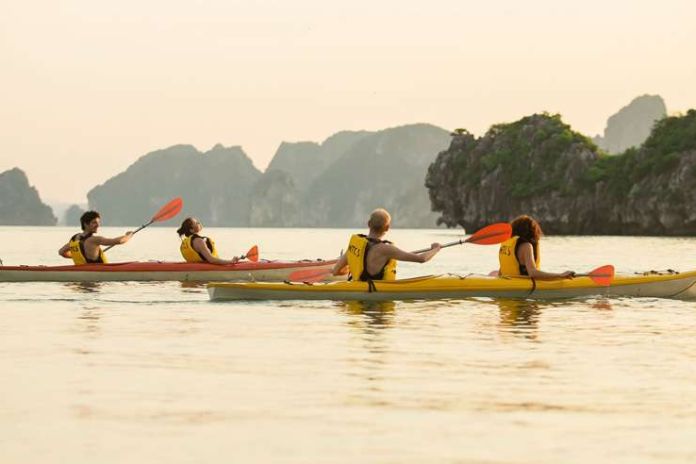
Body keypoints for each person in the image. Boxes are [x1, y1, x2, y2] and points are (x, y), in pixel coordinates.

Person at [332, 208, 441, 284]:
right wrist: (436, 249)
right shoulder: (386, 249)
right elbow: (422, 259)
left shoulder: (355, 245)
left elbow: (335, 271)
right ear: (387, 228)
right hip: (376, 301)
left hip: (357, 297)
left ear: (369, 224)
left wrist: (352, 268)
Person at [498, 215, 574, 279]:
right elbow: (533, 273)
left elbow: (502, 270)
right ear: (531, 231)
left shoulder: (507, 243)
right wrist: (560, 275)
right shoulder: (526, 246)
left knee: (493, 272)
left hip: (506, 279)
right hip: (520, 284)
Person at [58, 211, 133, 264]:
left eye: (98, 222)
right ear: (86, 224)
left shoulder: (74, 238)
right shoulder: (95, 240)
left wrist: (75, 256)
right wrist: (128, 235)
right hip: (95, 277)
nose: (98, 225)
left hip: (82, 274)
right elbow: (118, 241)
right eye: (94, 222)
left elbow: (61, 252)